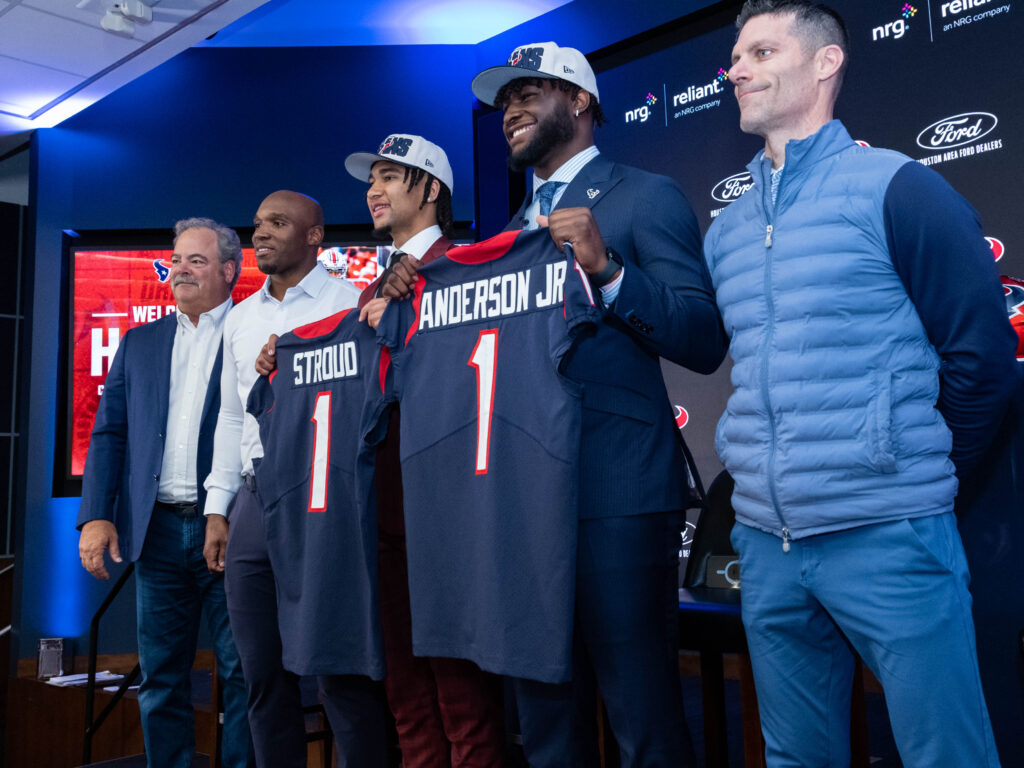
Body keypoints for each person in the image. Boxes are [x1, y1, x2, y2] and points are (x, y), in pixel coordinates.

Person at [384, 43, 727, 768]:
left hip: (616, 492)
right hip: (520, 504)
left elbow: (702, 338)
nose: (510, 109)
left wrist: (610, 270)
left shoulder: (644, 195)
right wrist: (404, 312)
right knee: (545, 725)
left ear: (579, 101)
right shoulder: (500, 241)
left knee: (642, 717)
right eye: (504, 100)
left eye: (528, 92)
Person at [704, 2, 1020, 765]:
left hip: (889, 535)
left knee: (948, 756)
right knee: (795, 759)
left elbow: (982, 360)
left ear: (825, 62)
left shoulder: (898, 188)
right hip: (769, 547)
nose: (737, 70)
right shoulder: (727, 231)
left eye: (761, 51)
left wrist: (910, 481)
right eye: (736, 57)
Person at [202, 190, 387, 768]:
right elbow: (232, 416)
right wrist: (218, 507)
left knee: (340, 674)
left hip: (325, 500)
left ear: (314, 236)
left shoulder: (353, 304)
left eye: (278, 223)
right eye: (258, 223)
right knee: (259, 676)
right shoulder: (239, 318)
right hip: (254, 501)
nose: (260, 233)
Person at [347, 134, 507, 767]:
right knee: (406, 694)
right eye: (371, 179)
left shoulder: (470, 267)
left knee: (463, 693)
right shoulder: (370, 289)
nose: (374, 190)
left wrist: (416, 304)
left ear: (432, 189)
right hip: (383, 505)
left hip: (447, 507)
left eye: (390, 176)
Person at [77, 218, 252, 768]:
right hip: (154, 533)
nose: (180, 270)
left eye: (196, 261)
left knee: (243, 674)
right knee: (160, 678)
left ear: (229, 270)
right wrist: (96, 516)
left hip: (231, 528)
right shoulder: (140, 342)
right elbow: (109, 433)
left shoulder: (251, 331)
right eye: (176, 260)